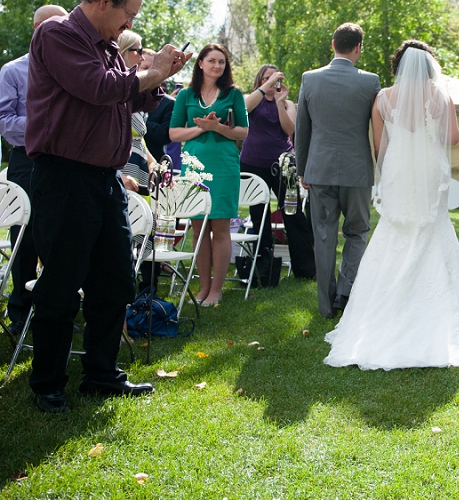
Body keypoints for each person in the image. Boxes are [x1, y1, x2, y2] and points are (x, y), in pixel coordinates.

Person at [24, 0, 190, 413]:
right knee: (61, 283)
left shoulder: (109, 47)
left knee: (115, 280)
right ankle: (48, 384)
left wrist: (161, 77)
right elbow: (98, 90)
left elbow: (128, 99)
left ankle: (101, 375)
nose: (129, 25)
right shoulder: (58, 34)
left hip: (106, 180)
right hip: (64, 178)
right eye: (127, 14)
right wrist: (149, 71)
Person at [324, 40, 459, 369]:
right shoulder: (440, 96)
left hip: (398, 169)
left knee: (394, 230)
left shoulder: (383, 97)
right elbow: (453, 138)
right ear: (429, 67)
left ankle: (384, 312)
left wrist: (389, 169)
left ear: (398, 65)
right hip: (429, 168)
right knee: (432, 228)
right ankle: (436, 314)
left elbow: (378, 145)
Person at [294, 23, 381, 318]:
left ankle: (324, 305)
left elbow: (301, 130)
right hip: (357, 171)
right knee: (357, 233)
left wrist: (303, 168)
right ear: (358, 48)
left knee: (323, 235)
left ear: (333, 44)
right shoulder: (370, 82)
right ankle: (345, 293)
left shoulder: (310, 78)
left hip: (319, 169)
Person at [0, 5, 68, 334]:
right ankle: (19, 314)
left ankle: (56, 310)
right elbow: (4, 123)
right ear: (38, 28)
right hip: (27, 159)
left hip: (65, 161)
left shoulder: (70, 68)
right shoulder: (13, 71)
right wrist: (44, 121)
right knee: (25, 237)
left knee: (59, 235)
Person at [168, 44, 248, 307]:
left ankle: (216, 290)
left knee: (221, 227)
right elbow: (174, 133)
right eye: (212, 61)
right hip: (194, 163)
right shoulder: (185, 95)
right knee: (198, 227)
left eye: (222, 62)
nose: (217, 66)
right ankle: (202, 288)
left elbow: (242, 132)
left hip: (224, 164)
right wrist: (201, 130)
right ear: (200, 63)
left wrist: (218, 128)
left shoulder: (233, 94)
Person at [240, 64, 316, 281]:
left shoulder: (287, 103)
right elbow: (243, 109)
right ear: (260, 80)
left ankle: (305, 269)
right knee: (258, 216)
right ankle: (264, 270)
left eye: (276, 79)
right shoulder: (252, 98)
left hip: (283, 164)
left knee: (293, 214)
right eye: (267, 78)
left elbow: (289, 130)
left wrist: (280, 103)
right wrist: (265, 88)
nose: (272, 83)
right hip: (252, 163)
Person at [117, 30, 152, 194]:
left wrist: (154, 164)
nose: (142, 57)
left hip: (138, 168)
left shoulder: (134, 94)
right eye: (137, 51)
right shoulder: (113, 91)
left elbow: (139, 139)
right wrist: (118, 175)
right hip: (121, 173)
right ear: (121, 51)